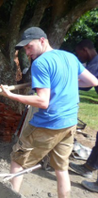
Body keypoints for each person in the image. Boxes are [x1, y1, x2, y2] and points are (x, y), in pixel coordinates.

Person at [0, 27, 98, 198]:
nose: (28, 52)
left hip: (47, 125)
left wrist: (10, 95)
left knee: (17, 161)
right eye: (25, 49)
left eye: (30, 47)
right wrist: (64, 81)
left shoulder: (41, 63)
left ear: (43, 40)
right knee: (61, 169)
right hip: (68, 124)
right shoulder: (70, 57)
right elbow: (93, 81)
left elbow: (42, 102)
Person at [69, 39, 98, 192]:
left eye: (79, 53)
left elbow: (87, 85)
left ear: (85, 50)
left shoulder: (96, 63)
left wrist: (66, 80)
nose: (78, 56)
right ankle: (88, 167)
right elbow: (86, 85)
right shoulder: (94, 63)